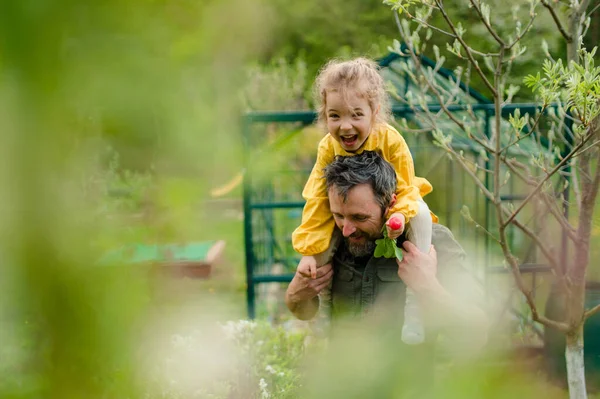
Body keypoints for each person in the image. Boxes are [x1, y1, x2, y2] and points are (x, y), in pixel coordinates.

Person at [291, 57, 435, 343]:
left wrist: (397, 219)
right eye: (335, 116)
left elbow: (406, 187)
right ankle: (324, 324)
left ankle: (415, 313)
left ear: (375, 112)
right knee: (322, 241)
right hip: (343, 208)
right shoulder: (327, 148)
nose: (345, 126)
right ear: (324, 115)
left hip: (396, 205)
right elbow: (318, 198)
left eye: (356, 115)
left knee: (419, 211)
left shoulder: (391, 141)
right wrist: (309, 252)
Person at [285, 151, 488, 349]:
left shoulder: (431, 242)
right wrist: (295, 294)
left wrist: (428, 286)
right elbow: (304, 312)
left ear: (390, 204)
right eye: (338, 216)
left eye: (360, 217)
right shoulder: (327, 242)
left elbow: (478, 333)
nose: (346, 230)